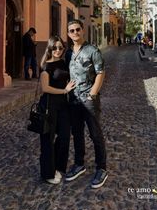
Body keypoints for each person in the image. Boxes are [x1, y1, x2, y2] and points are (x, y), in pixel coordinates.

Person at [65, 19, 107, 189]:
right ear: (68, 34)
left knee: (95, 134)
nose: (75, 33)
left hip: (88, 100)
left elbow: (100, 72)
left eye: (77, 29)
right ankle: (79, 164)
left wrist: (93, 94)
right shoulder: (68, 53)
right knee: (77, 133)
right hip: (74, 100)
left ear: (82, 31)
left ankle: (101, 167)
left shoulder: (92, 50)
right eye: (71, 31)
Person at [39, 35, 76, 185]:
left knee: (64, 136)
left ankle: (58, 167)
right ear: (49, 48)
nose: (58, 50)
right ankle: (48, 173)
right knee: (48, 140)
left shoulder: (63, 62)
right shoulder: (45, 66)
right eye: (55, 47)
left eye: (60, 47)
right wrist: (64, 91)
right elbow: (45, 88)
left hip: (63, 106)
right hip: (49, 105)